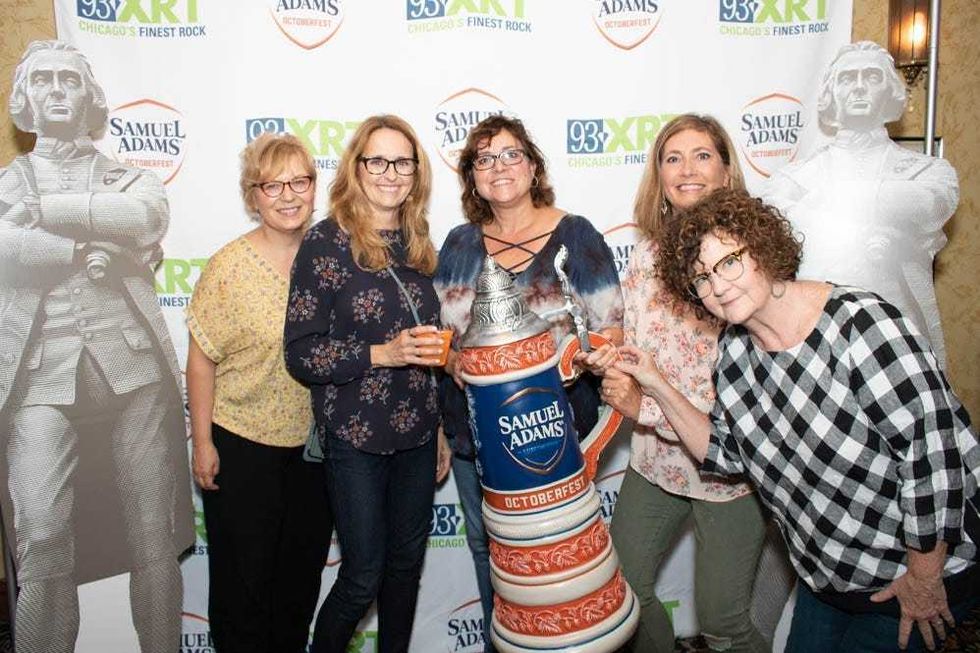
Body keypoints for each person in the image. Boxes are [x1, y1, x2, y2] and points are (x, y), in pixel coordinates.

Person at [612, 188, 979, 653]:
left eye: (729, 262)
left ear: (763, 250)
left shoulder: (859, 325)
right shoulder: (735, 354)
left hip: (910, 579)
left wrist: (924, 579)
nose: (718, 286)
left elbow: (935, 458)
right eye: (702, 278)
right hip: (827, 580)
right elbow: (726, 452)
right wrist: (656, 383)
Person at [0, 40, 193, 653]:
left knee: (153, 536)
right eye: (43, 80)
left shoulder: (127, 178)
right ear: (25, 100)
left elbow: (144, 217)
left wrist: (43, 210)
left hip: (132, 373)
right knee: (42, 534)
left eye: (69, 79)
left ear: (90, 97)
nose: (57, 90)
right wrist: (79, 247)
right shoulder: (5, 183)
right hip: (39, 379)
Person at [433, 114, 624, 652]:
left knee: (563, 554)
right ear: (472, 178)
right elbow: (441, 334)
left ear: (534, 166)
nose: (499, 167)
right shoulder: (459, 243)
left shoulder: (575, 235)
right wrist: (456, 364)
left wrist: (567, 362)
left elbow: (610, 329)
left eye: (511, 154)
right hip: (475, 434)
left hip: (557, 436)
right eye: (484, 159)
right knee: (489, 548)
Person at [586, 114, 767, 653]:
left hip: (730, 471)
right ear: (659, 177)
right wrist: (609, 363)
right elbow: (637, 342)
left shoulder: (749, 259)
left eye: (702, 155)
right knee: (623, 590)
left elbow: (746, 393)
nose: (687, 170)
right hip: (656, 461)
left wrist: (642, 407)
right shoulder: (646, 256)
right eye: (673, 158)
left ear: (727, 171)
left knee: (724, 624)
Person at [284, 114, 452, 653]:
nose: (390, 173)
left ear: (416, 172)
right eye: (377, 161)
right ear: (356, 167)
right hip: (356, 435)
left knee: (404, 570)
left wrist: (438, 427)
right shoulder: (326, 242)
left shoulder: (418, 242)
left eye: (402, 162)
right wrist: (382, 353)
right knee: (362, 576)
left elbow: (429, 350)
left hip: (418, 435)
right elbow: (301, 352)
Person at [186, 132, 333, 653]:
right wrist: (203, 443)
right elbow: (200, 360)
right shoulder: (228, 267)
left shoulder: (331, 259)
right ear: (253, 196)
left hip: (315, 453)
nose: (288, 195)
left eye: (300, 181)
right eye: (273, 185)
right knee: (242, 589)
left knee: (298, 585)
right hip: (242, 446)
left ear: (314, 187)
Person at [762, 41, 958, 366]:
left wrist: (824, 198)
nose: (859, 87)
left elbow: (928, 205)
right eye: (847, 78)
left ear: (890, 90)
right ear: (831, 94)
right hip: (818, 338)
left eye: (872, 77)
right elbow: (774, 213)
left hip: (901, 337)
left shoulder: (930, 172)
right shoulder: (792, 177)